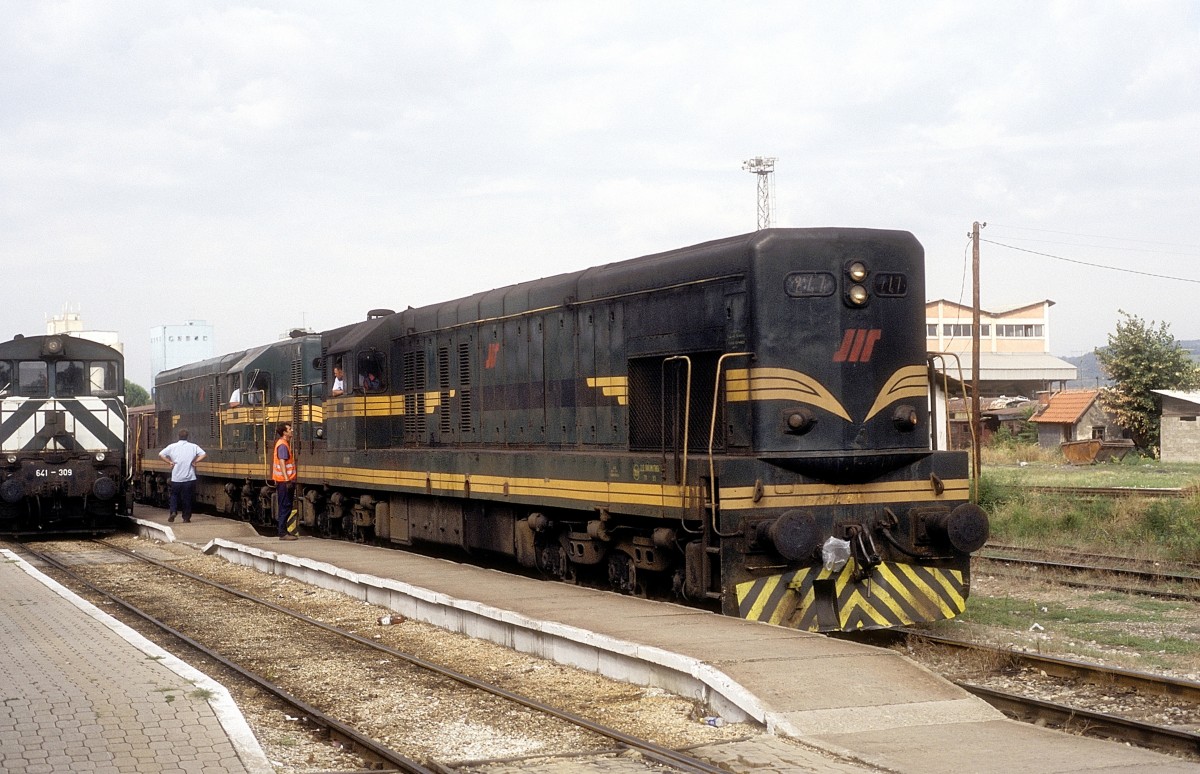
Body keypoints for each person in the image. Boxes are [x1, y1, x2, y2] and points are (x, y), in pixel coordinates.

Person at [158, 429, 206, 523]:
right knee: (187, 497)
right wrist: (195, 461)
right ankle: (186, 518)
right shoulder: (193, 446)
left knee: (174, 495)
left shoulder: (172, 446)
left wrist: (170, 462)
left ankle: (173, 511)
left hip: (176, 477)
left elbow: (161, 454)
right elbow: (203, 454)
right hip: (189, 478)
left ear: (178, 436)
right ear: (187, 436)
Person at [272, 422, 298, 540]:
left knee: (286, 506)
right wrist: (287, 479)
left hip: (283, 481)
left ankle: (284, 531)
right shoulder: (282, 445)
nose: (292, 430)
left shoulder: (284, 443)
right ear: (284, 432)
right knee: (285, 506)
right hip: (284, 481)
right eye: (289, 429)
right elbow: (282, 462)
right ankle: (282, 533)